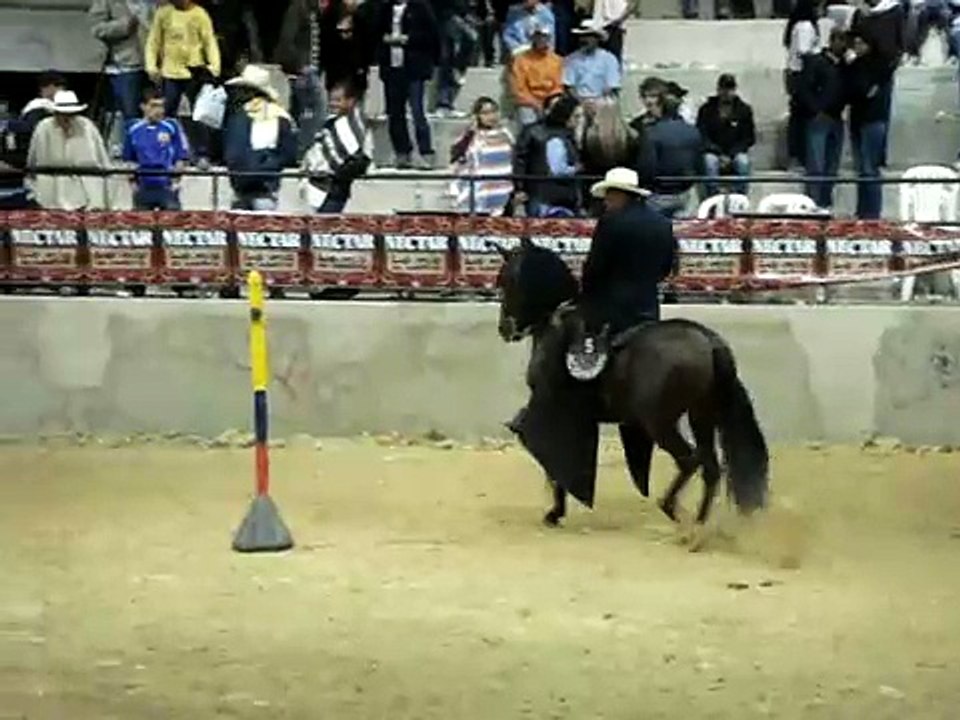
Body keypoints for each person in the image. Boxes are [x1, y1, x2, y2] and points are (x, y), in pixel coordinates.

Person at [581, 166, 676, 336]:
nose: (605, 202)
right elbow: (666, 267)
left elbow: (595, 267)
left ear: (620, 195)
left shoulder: (610, 223)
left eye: (609, 196)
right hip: (648, 307)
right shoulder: (663, 223)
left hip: (613, 311)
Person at [146, 0, 221, 163]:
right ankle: (166, 151)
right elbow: (154, 41)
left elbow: (209, 41)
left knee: (199, 115)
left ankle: (203, 154)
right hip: (170, 71)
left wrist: (214, 66)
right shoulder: (163, 13)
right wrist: (151, 65)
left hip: (194, 71)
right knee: (167, 114)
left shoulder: (200, 14)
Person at [222, 64, 298, 211]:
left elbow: (288, 154)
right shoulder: (238, 116)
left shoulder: (278, 117)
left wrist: (265, 163)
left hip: (264, 188)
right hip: (242, 187)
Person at [376, 0, 440, 169]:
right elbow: (375, 32)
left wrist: (408, 39)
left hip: (414, 69)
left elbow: (431, 35)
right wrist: (384, 39)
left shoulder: (420, 8)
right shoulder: (385, 9)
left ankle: (426, 152)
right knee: (395, 114)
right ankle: (402, 153)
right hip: (392, 69)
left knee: (418, 112)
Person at [26, 90, 111, 210]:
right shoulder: (43, 128)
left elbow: (102, 158)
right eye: (63, 114)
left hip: (85, 186)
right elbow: (33, 160)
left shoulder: (87, 126)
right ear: (55, 113)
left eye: (71, 114)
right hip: (52, 186)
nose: (67, 118)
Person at [302, 79, 373, 214]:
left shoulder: (357, 127)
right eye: (331, 100)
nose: (333, 104)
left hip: (335, 189)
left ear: (350, 101)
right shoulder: (328, 123)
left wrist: (339, 175)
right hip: (316, 185)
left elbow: (362, 158)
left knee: (325, 229)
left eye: (338, 100)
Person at [797, 28, 849, 209]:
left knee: (832, 168)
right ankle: (812, 205)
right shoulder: (817, 62)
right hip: (819, 119)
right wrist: (815, 110)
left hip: (837, 119)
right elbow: (803, 89)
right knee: (816, 166)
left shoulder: (844, 66)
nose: (844, 46)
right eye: (841, 41)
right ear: (832, 41)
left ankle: (825, 205)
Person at [851, 0, 905, 167]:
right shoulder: (860, 14)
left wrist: (892, 64)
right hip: (862, 70)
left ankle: (879, 156)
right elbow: (853, 39)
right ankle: (860, 155)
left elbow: (899, 42)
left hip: (884, 70)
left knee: (879, 116)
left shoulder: (895, 11)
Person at [275, 0, 328, 158]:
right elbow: (287, 39)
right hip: (304, 70)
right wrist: (300, 66)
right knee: (316, 110)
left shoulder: (315, 10)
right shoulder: (298, 8)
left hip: (312, 70)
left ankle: (294, 151)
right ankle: (305, 150)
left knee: (300, 112)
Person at [123, 87, 190, 210]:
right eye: (154, 106)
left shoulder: (172, 126)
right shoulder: (133, 128)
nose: (159, 111)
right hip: (143, 186)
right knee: (141, 226)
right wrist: (133, 185)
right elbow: (128, 159)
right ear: (143, 107)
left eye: (161, 106)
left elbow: (181, 156)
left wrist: (175, 183)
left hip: (166, 186)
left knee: (172, 224)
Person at [641, 86, 703, 218]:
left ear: (660, 108)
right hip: (687, 195)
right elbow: (699, 165)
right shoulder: (693, 131)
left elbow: (647, 168)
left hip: (658, 197)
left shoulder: (652, 133)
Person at [448, 96, 514, 214]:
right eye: (485, 113)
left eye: (494, 112)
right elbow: (457, 157)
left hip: (503, 190)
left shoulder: (506, 134)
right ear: (477, 116)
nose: (491, 117)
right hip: (479, 190)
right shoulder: (469, 136)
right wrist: (470, 133)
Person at [89, 0, 151, 126]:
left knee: (158, 112)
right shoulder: (107, 2)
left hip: (158, 65)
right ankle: (131, 143)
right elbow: (97, 28)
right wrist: (126, 25)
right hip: (127, 64)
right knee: (131, 114)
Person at [847, 29, 887, 219]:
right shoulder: (855, 65)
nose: (857, 47)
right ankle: (862, 212)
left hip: (873, 121)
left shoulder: (878, 66)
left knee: (870, 169)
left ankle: (872, 214)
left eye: (860, 43)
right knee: (861, 170)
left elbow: (865, 91)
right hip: (857, 120)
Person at [696, 73, 756, 198]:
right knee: (709, 162)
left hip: (735, 152)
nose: (726, 92)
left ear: (734, 90)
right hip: (713, 152)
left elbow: (749, 138)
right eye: (723, 88)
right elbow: (702, 135)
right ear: (718, 89)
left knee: (743, 162)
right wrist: (718, 153)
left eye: (730, 89)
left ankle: (740, 198)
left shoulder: (744, 110)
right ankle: (712, 198)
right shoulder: (706, 110)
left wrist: (732, 154)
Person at [523, 93, 583, 217]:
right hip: (551, 200)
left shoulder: (567, 136)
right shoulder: (556, 139)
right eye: (576, 116)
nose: (579, 121)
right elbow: (557, 170)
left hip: (557, 197)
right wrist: (576, 169)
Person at [783, 0, 821, 167]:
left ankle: (797, 156)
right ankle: (800, 157)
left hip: (794, 74)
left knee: (798, 117)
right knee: (802, 119)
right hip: (803, 76)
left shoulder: (795, 26)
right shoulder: (805, 27)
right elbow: (805, 53)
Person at [510, 24, 564, 126]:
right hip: (528, 101)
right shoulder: (521, 60)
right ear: (532, 38)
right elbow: (519, 88)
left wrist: (551, 101)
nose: (541, 39)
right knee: (527, 117)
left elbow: (558, 86)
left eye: (544, 36)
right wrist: (534, 103)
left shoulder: (557, 60)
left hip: (549, 100)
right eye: (538, 36)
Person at [563, 20, 621, 103]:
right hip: (578, 100)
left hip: (601, 100)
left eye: (588, 36)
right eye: (582, 36)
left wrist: (596, 103)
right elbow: (569, 87)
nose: (584, 39)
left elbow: (611, 87)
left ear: (597, 39)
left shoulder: (609, 59)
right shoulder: (571, 59)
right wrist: (581, 102)